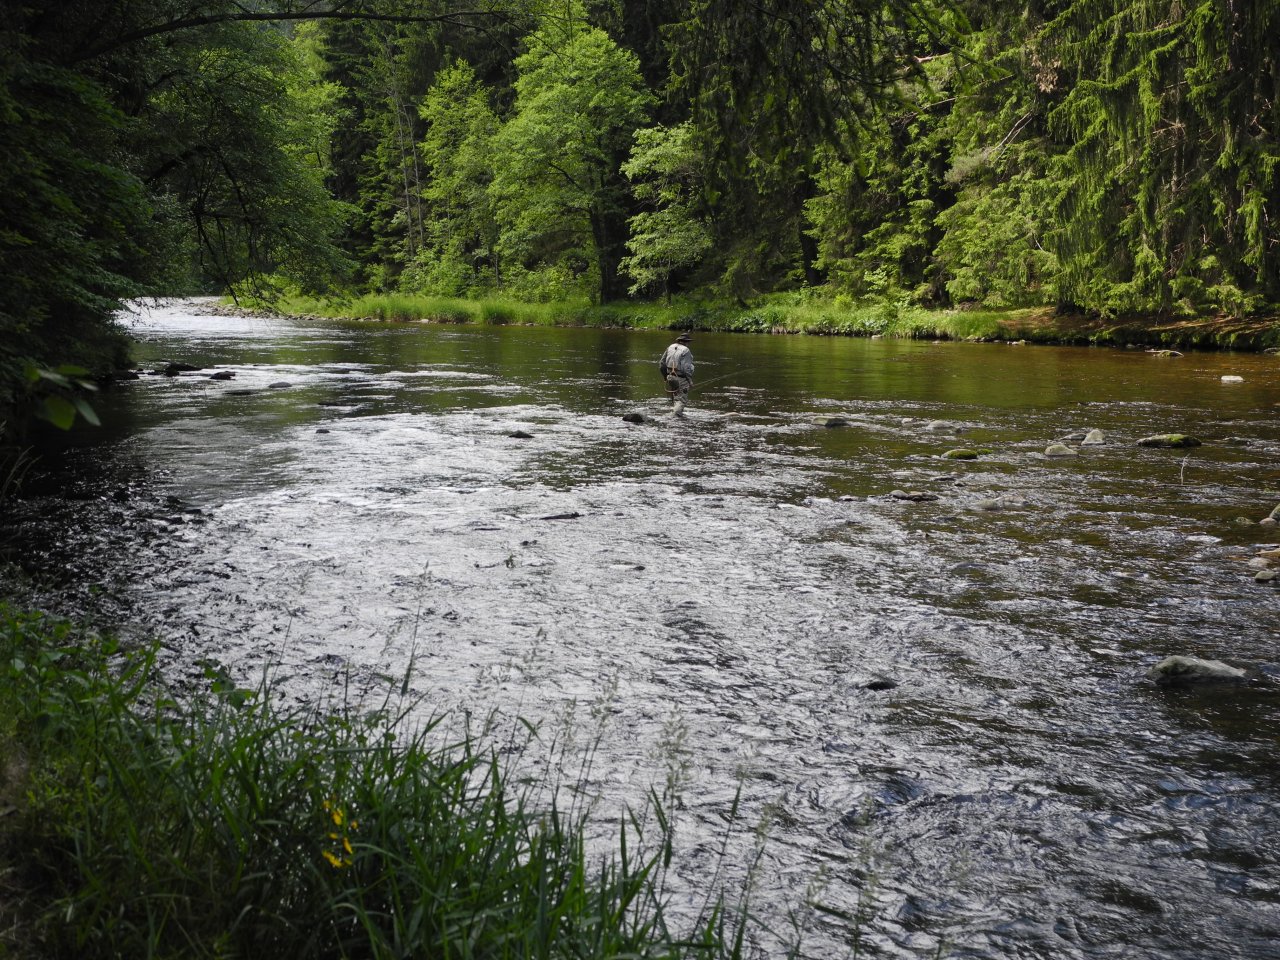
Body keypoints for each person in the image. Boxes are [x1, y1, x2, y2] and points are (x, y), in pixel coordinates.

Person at [658, 333, 694, 414]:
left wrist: (665, 377)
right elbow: (686, 368)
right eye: (689, 342)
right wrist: (690, 381)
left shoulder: (670, 347)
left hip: (670, 377)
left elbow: (661, 364)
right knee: (681, 401)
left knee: (676, 398)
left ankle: (675, 416)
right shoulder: (686, 350)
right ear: (686, 342)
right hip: (680, 378)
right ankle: (674, 417)